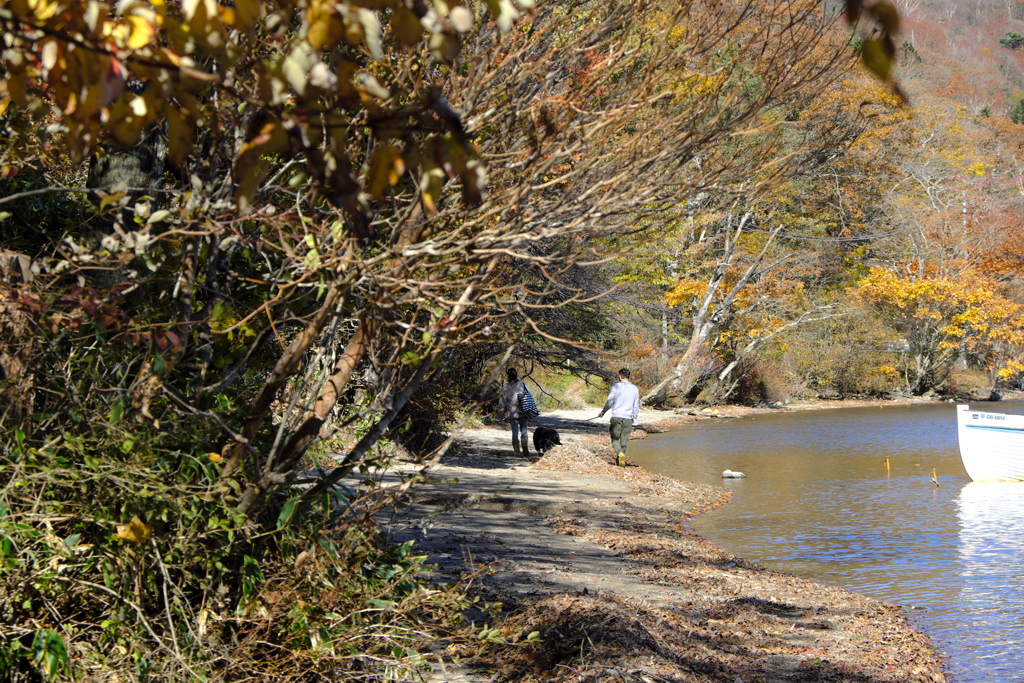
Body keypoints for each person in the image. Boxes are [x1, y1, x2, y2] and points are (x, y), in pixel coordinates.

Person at [598, 368, 640, 466]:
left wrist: (603, 411)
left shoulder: (616, 387)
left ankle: (620, 454)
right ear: (629, 376)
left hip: (616, 416)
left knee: (615, 439)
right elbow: (636, 405)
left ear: (620, 376)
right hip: (628, 418)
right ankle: (621, 461)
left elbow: (610, 401)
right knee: (624, 440)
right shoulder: (634, 388)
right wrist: (634, 418)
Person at [497, 368, 532, 457]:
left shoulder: (506, 388)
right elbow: (529, 397)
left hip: (512, 411)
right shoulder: (523, 385)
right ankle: (525, 446)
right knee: (524, 429)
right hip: (523, 410)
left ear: (508, 376)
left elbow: (502, 403)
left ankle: (516, 451)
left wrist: (500, 416)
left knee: (515, 431)